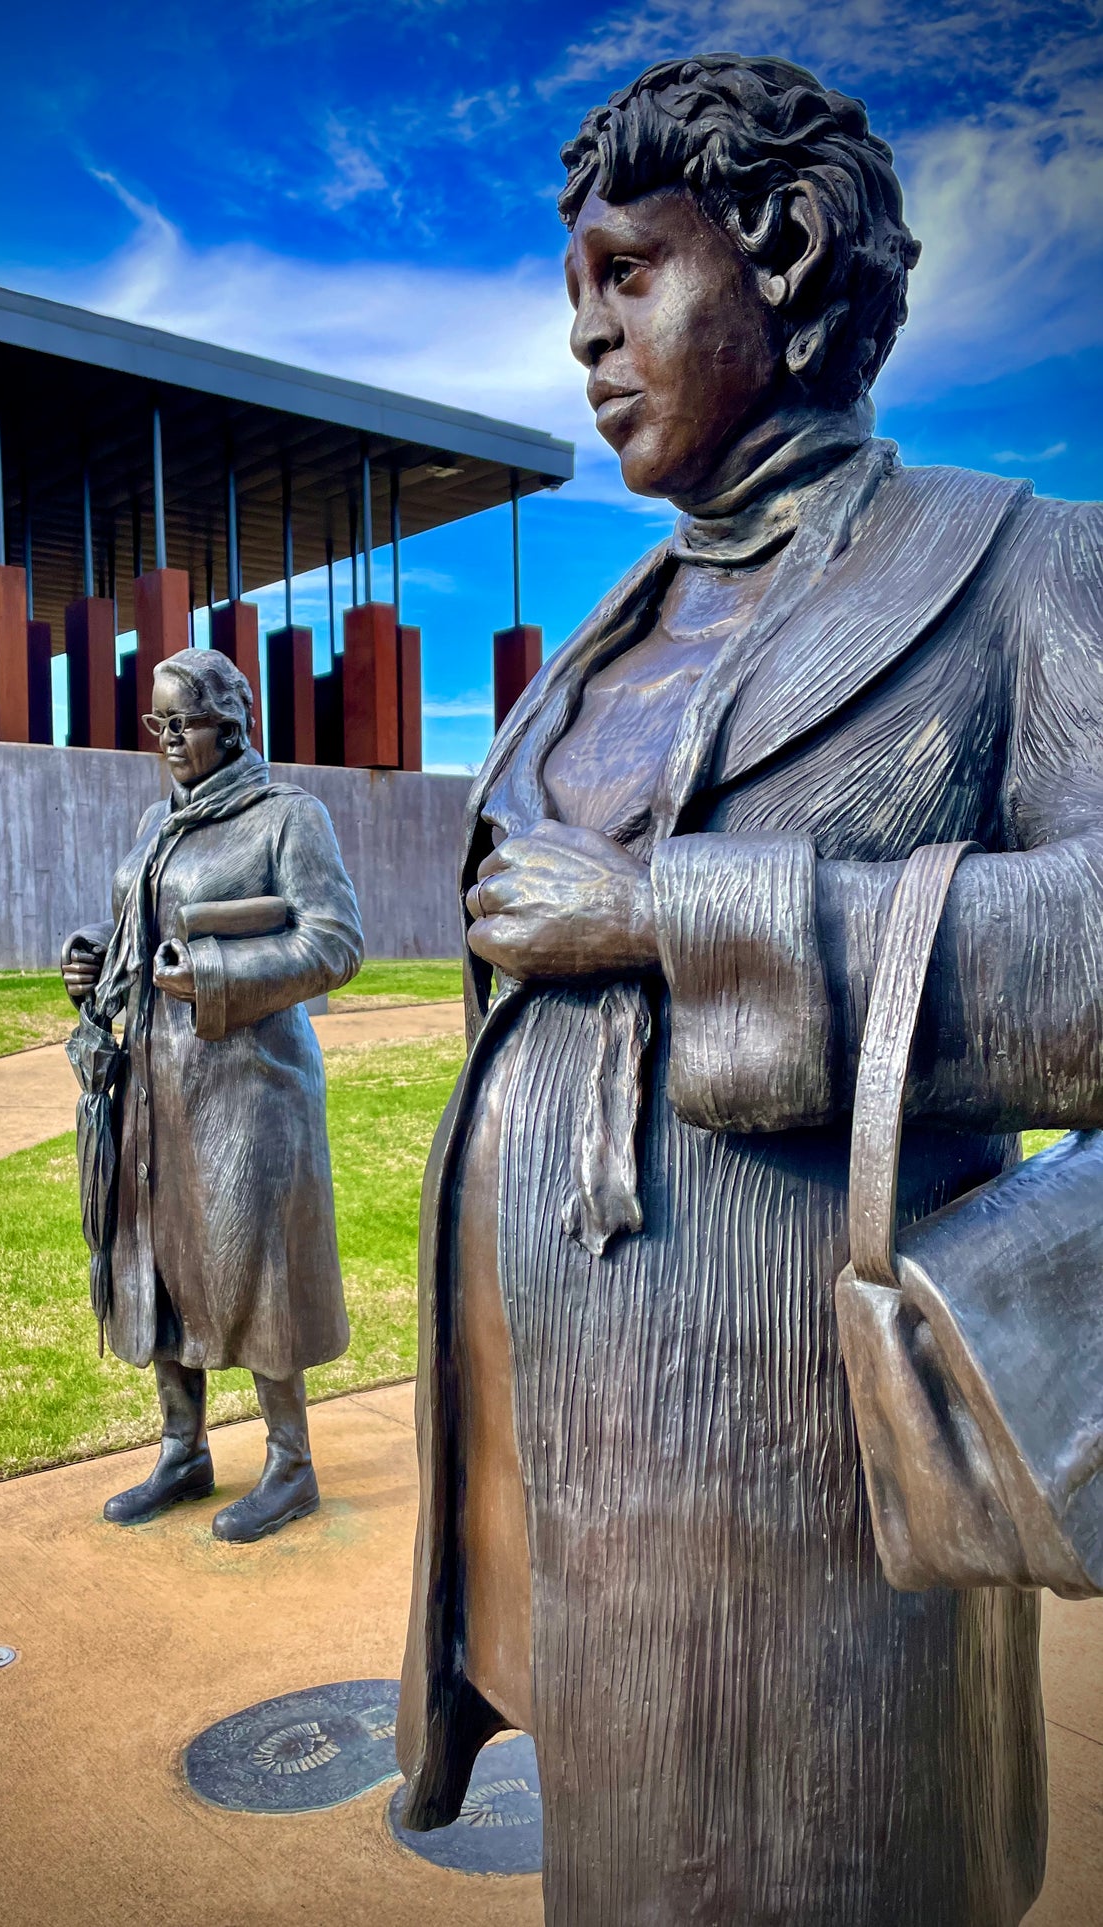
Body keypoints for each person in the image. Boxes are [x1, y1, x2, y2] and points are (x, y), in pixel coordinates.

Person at [397, 54, 1103, 1927]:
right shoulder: (595, 649)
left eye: (626, 273)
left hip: (812, 1530)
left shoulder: (1025, 568)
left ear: (781, 250)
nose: (584, 337)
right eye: (578, 292)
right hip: (564, 1479)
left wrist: (665, 912)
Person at [61, 649, 363, 1543]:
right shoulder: (161, 823)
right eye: (155, 724)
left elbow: (337, 942)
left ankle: (290, 1463)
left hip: (249, 1092)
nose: (165, 742)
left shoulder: (286, 818)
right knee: (155, 1258)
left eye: (179, 723)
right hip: (154, 1086)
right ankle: (182, 1447)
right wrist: (91, 959)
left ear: (230, 724)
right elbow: (136, 936)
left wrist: (220, 972)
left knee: (257, 1263)